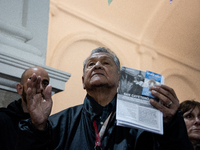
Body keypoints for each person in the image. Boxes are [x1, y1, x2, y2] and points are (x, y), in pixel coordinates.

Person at [16, 47, 193, 150]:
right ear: (83, 81)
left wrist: (172, 125)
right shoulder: (59, 123)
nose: (98, 65)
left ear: (120, 78)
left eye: (106, 63)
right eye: (91, 64)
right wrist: (36, 128)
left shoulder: (143, 125)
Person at [0, 66, 50, 150]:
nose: (41, 87)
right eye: (34, 82)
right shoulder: (3, 120)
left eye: (45, 84)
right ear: (20, 89)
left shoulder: (50, 126)